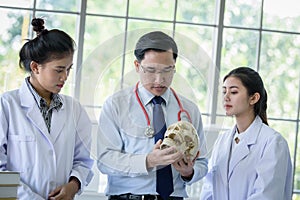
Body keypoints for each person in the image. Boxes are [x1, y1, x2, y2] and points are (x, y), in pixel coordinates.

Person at [97, 31, 208, 200]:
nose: (159, 80)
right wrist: (148, 161)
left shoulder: (189, 109)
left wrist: (188, 172)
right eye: (151, 70)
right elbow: (105, 160)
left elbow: (202, 162)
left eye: (167, 70)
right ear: (137, 66)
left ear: (174, 67)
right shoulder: (116, 105)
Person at [0, 18, 94, 199]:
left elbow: (83, 161)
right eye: (59, 70)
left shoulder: (74, 109)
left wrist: (73, 186)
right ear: (35, 67)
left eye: (69, 69)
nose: (65, 77)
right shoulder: (7, 105)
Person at [200, 67, 293, 200]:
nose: (226, 97)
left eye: (233, 92)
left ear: (253, 98)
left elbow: (267, 195)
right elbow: (209, 189)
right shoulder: (223, 141)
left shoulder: (273, 142)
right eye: (224, 91)